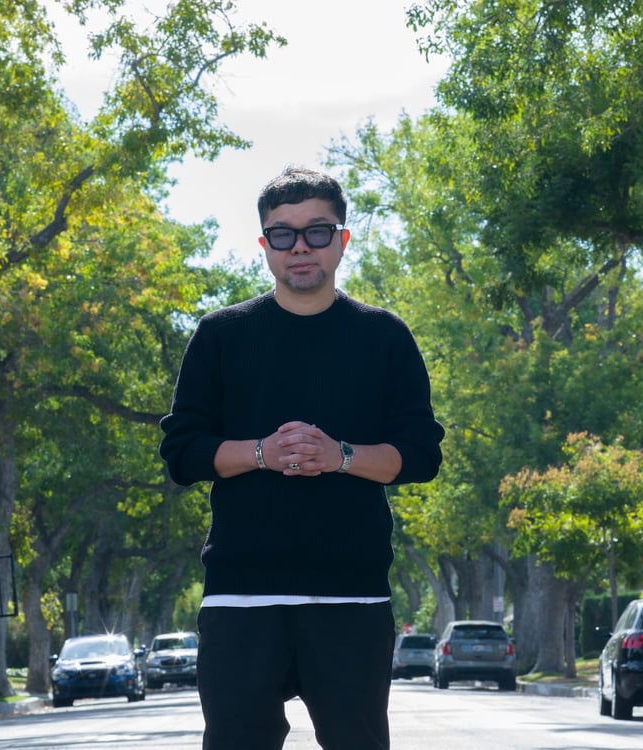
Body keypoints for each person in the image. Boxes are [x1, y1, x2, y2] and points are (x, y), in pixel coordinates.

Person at [159, 166, 444, 750]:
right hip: (241, 594)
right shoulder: (220, 334)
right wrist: (263, 453)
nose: (300, 247)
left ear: (342, 239)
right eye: (283, 234)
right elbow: (182, 453)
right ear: (265, 244)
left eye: (317, 231)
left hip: (352, 593)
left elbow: (420, 456)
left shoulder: (384, 336)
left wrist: (340, 456)